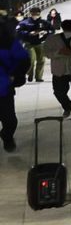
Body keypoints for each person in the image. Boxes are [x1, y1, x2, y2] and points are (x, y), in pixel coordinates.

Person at [0, 17, 27, 152]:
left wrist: (15, 75)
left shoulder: (8, 42)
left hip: (3, 88)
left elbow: (23, 60)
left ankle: (7, 136)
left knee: (10, 120)